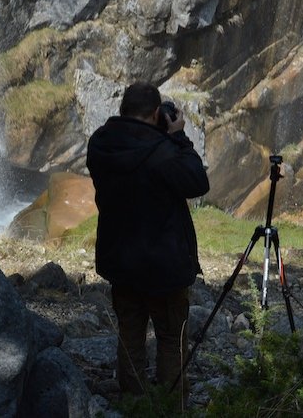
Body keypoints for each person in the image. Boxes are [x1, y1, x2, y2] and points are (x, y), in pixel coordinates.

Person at [87, 81, 210, 399]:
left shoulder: (100, 145)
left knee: (130, 335)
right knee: (170, 338)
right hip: (164, 265)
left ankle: (133, 403)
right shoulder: (165, 153)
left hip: (121, 260)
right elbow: (198, 181)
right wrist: (179, 136)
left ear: (122, 110)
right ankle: (170, 407)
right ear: (157, 114)